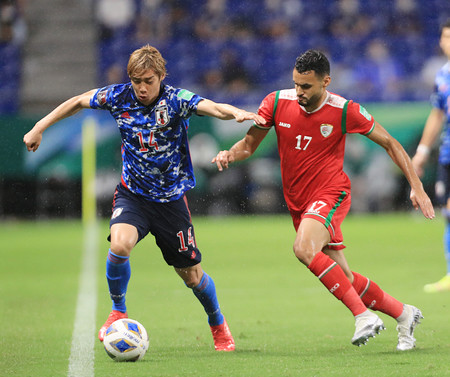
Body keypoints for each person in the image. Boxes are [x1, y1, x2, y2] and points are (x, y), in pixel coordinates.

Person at [23, 44, 265, 352]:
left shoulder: (176, 100)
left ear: (161, 76)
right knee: (120, 244)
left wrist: (237, 113)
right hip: (133, 195)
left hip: (171, 201)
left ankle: (217, 322)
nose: (142, 87)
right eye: (136, 80)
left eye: (148, 80)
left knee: (191, 276)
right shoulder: (119, 96)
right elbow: (78, 101)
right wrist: (38, 127)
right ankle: (118, 311)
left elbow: (213, 106)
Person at [212, 49, 435, 351]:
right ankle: (404, 314)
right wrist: (230, 153)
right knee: (343, 278)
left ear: (325, 82)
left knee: (303, 248)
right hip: (298, 201)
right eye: (296, 84)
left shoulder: (345, 110)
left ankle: (363, 316)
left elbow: (390, 143)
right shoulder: (277, 102)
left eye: (306, 86)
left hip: (331, 192)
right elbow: (249, 145)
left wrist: (417, 187)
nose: (299, 92)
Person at [412, 18, 450, 293]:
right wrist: (423, 152)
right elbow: (437, 114)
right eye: (446, 37)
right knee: (448, 212)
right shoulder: (443, 75)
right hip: (447, 154)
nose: (447, 43)